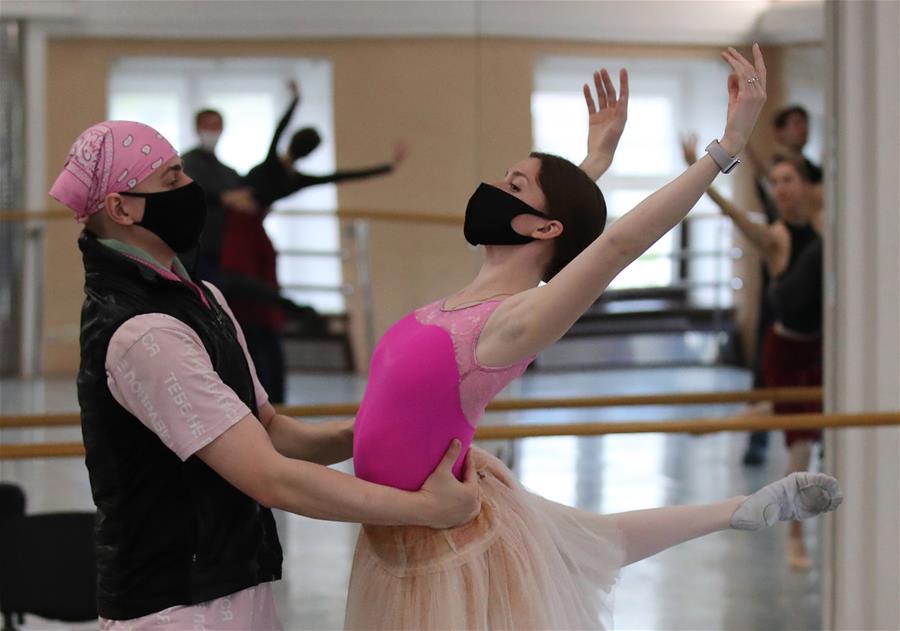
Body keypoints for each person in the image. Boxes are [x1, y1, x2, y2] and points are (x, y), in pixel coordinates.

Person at [343, 45, 841, 629]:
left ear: (543, 227)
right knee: (585, 539)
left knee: (589, 540)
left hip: (435, 555)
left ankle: (739, 508)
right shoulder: (463, 301)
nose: (494, 185)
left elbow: (619, 243)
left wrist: (726, 147)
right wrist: (593, 163)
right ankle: (737, 510)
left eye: (513, 183)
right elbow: (569, 222)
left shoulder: (516, 320)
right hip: (398, 533)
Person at [48, 120, 479, 628]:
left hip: (233, 583)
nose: (191, 189)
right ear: (122, 209)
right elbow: (270, 478)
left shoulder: (203, 298)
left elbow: (268, 430)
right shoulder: (143, 332)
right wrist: (427, 509)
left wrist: (373, 429)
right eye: (171, 179)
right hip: (173, 606)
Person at [682, 143, 824, 570]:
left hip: (820, 347)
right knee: (802, 441)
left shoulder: (824, 222)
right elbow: (735, 216)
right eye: (775, 183)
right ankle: (796, 538)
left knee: (797, 418)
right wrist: (705, 174)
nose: (781, 189)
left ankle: (726, 423)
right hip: (786, 350)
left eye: (788, 180)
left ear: (805, 185)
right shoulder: (775, 238)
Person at [219, 80, 407, 402]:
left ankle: (264, 385)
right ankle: (270, 379)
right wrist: (388, 167)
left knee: (253, 305)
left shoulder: (276, 166)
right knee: (255, 302)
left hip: (244, 234)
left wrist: (296, 99)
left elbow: (281, 131)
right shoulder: (294, 178)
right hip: (249, 236)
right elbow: (341, 176)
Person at [181, 108, 259, 282]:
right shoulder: (186, 164)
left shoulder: (228, 172)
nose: (212, 131)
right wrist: (223, 198)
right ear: (197, 128)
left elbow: (246, 194)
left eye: (216, 126)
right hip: (195, 247)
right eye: (207, 126)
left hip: (224, 248)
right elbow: (191, 191)